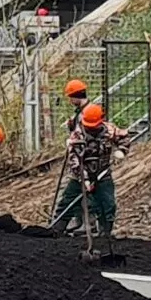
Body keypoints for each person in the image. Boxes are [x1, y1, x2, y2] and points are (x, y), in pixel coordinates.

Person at [51, 101, 120, 235]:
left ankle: (106, 233)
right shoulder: (77, 135)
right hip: (81, 173)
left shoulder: (110, 130)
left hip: (103, 173)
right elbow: (74, 160)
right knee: (68, 199)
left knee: (107, 202)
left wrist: (122, 150)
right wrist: (85, 180)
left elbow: (124, 138)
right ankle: (57, 228)